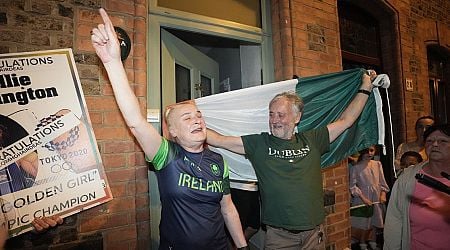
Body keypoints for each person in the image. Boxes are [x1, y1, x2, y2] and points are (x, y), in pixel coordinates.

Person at [90, 8, 247, 250]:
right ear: (172, 131)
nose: (197, 120)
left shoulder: (218, 161)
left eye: (198, 115)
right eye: (187, 118)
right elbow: (136, 122)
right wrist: (112, 63)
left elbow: (227, 207)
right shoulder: (167, 155)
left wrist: (243, 246)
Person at [207, 70, 377, 249]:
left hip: (314, 234)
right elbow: (219, 140)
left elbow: (347, 120)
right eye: (271, 114)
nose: (274, 120)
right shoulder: (259, 143)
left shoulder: (312, 139)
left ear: (297, 117)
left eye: (281, 115)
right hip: (279, 237)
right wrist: (188, 118)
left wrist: (365, 86)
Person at [384, 124, 450, 250]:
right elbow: (394, 225)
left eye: (443, 141)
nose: (435, 144)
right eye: (430, 141)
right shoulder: (407, 179)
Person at [349, 145, 389, 250]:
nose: (370, 154)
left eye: (371, 151)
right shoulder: (356, 167)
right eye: (367, 151)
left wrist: (383, 194)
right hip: (363, 198)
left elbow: (382, 181)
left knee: (375, 221)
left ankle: (373, 241)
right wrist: (363, 198)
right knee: (364, 222)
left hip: (376, 197)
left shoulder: (377, 164)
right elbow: (352, 186)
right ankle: (362, 242)